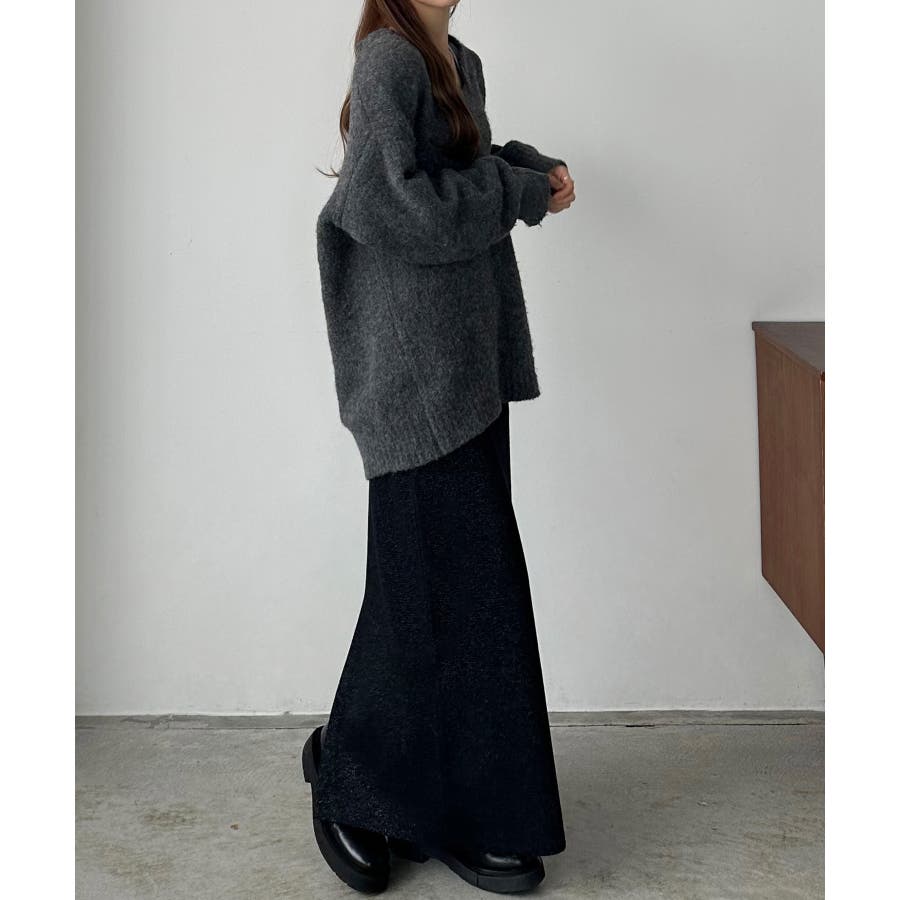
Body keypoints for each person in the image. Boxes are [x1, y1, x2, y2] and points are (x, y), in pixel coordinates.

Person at [306, 0, 576, 893]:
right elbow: (391, 205)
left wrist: (523, 167)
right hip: (415, 378)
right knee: (425, 592)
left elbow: (454, 171)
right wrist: (514, 192)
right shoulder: (389, 59)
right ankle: (352, 776)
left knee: (462, 590)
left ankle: (453, 801)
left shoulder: (456, 57)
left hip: (464, 365)